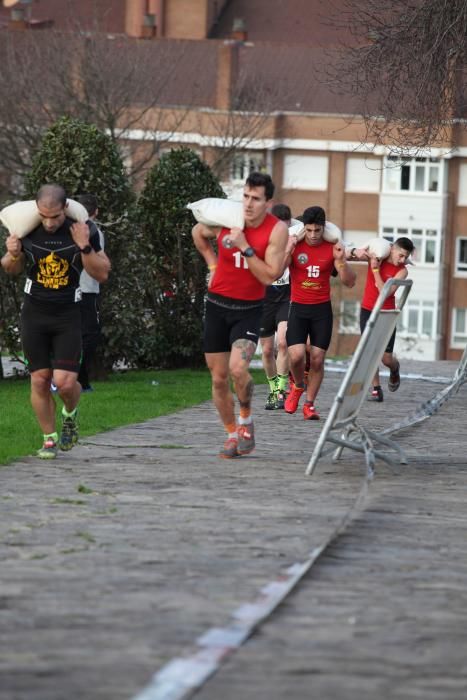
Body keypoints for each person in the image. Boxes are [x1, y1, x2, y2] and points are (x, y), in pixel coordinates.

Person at [1, 184, 111, 459]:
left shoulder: (84, 229)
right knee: (39, 381)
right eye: (44, 216)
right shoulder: (26, 228)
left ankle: (70, 413)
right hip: (34, 313)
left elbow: (102, 274)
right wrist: (12, 253)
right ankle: (49, 438)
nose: (49, 223)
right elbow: (11, 269)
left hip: (68, 314)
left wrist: (84, 245)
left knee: (64, 383)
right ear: (37, 210)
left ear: (65, 208)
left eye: (55, 216)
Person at [192, 171, 288, 458]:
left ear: (268, 203)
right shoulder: (228, 218)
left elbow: (270, 276)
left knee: (238, 369)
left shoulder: (275, 230)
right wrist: (212, 264)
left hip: (248, 310)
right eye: (245, 196)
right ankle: (232, 433)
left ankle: (246, 416)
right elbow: (198, 232)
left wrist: (246, 247)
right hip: (217, 305)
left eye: (255, 199)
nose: (248, 204)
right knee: (219, 377)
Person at [284, 205, 356, 419]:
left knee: (317, 359)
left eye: (317, 230)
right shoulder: (295, 246)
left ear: (323, 229)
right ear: (303, 228)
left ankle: (309, 404)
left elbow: (350, 282)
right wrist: (287, 249)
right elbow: (276, 272)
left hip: (321, 311)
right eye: (309, 230)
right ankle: (297, 386)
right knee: (296, 356)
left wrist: (341, 261)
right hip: (297, 307)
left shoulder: (331, 247)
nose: (313, 235)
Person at [347, 237, 414, 402]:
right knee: (369, 351)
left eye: (406, 257)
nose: (402, 260)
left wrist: (375, 270)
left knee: (386, 358)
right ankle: (376, 389)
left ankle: (395, 368)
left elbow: (386, 291)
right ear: (392, 249)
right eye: (400, 255)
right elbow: (348, 256)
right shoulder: (378, 255)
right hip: (368, 310)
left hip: (387, 313)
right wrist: (357, 252)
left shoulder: (403, 271)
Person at [259, 202, 292, 410]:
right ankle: (273, 390)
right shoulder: (263, 238)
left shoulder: (295, 236)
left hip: (287, 295)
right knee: (267, 349)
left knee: (283, 342)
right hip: (265, 297)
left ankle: (280, 391)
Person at [75, 194, 105, 393]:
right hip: (86, 289)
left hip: (70, 290)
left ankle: (79, 380)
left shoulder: (67, 229)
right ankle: (77, 377)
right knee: (90, 335)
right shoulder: (95, 231)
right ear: (96, 211)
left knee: (74, 336)